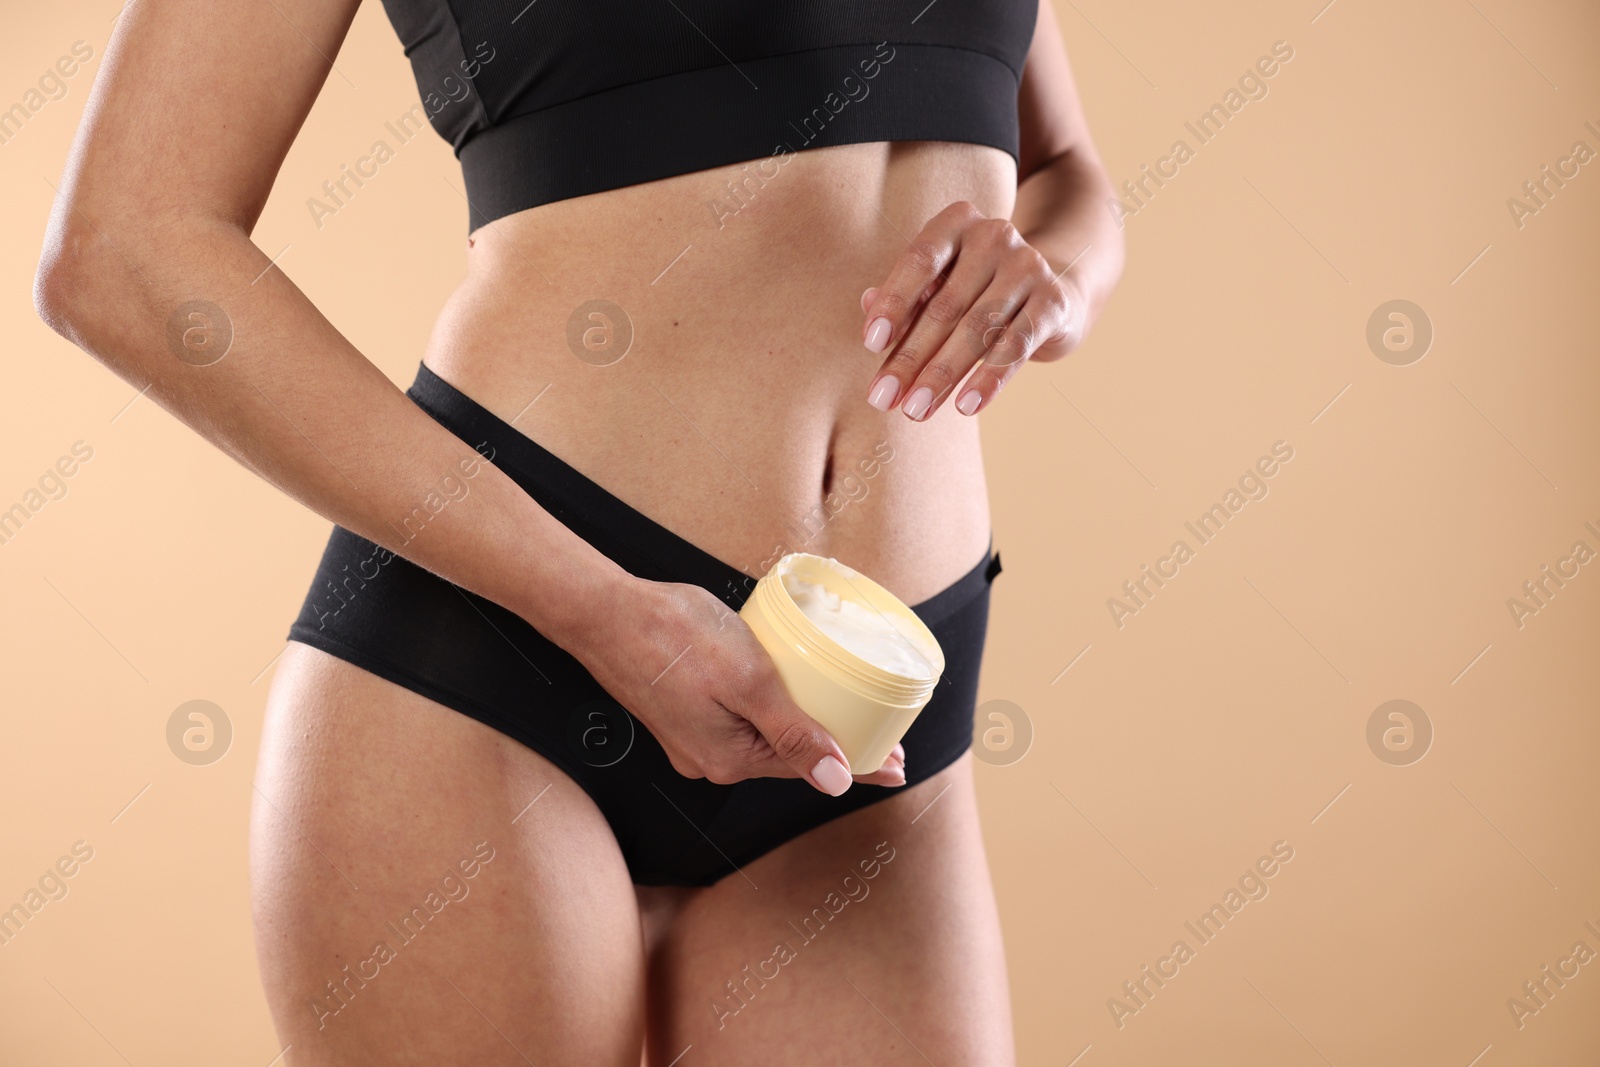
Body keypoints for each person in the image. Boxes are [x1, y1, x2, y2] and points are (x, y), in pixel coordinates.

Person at [34, 0, 1123, 1061]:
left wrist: (1058, 280)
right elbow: (122, 244)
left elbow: (1064, 167)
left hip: (864, 723)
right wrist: (603, 614)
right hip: (499, 659)